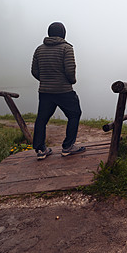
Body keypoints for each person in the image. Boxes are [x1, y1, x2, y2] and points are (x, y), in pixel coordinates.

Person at [30, 22, 85, 160]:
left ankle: (40, 150)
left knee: (42, 119)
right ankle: (68, 147)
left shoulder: (39, 49)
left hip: (45, 91)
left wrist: (46, 80)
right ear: (63, 33)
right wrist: (71, 81)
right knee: (74, 114)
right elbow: (70, 70)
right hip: (63, 90)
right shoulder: (66, 48)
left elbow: (34, 71)